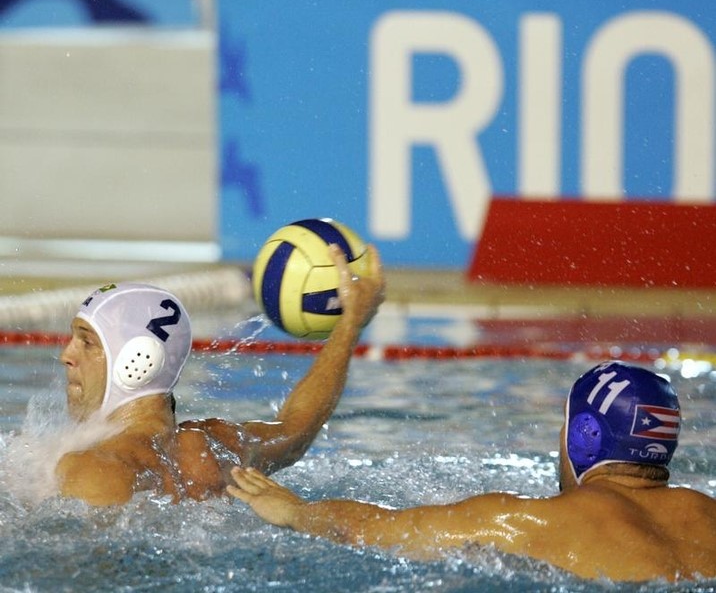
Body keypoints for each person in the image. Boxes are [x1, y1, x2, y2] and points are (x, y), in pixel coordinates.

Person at [228, 361, 716, 582]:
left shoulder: (529, 522)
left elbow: (376, 530)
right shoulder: (708, 516)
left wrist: (296, 511)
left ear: (585, 436)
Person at [55, 244, 385, 506]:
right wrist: (350, 323)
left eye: (87, 342)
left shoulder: (92, 470)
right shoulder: (218, 447)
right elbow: (296, 429)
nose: (66, 356)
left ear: (137, 359)